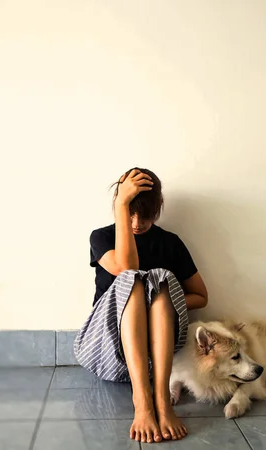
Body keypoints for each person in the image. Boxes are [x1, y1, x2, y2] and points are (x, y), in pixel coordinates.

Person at [74, 168, 208, 444]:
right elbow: (127, 268)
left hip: (157, 359)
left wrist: (159, 304)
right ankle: (142, 401)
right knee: (134, 280)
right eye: (130, 213)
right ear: (119, 205)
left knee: (159, 281)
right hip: (104, 350)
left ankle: (162, 400)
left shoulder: (169, 242)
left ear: (157, 209)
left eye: (144, 215)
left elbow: (201, 296)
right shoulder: (100, 238)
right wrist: (122, 203)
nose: (136, 223)